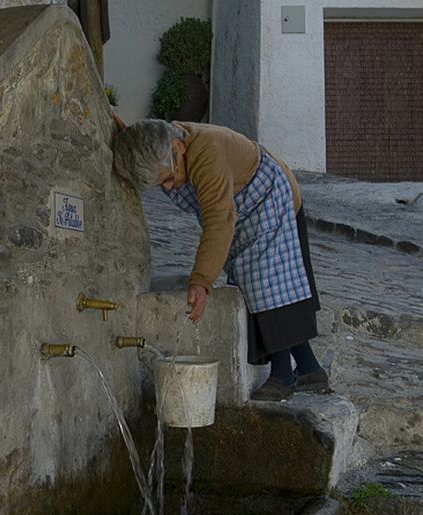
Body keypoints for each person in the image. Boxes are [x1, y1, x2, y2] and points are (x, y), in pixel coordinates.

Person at [112, 118, 330, 401]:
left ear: (179, 148)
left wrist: (201, 281)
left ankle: (283, 375)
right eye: (161, 184)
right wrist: (129, 138)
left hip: (266, 195)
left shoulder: (208, 154)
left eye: (169, 178)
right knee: (257, 281)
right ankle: (310, 369)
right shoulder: (166, 144)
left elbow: (218, 220)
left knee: (265, 281)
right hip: (241, 206)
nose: (168, 187)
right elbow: (148, 142)